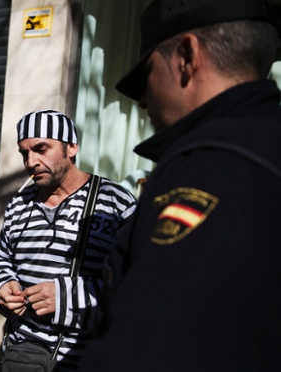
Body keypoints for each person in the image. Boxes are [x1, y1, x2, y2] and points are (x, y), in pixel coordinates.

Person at [78, 1, 281, 371]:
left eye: (149, 72)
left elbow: (146, 349)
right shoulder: (261, 149)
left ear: (186, 56)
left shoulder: (209, 169)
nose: (142, 101)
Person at [0, 109, 137, 370]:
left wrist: (67, 296)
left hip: (88, 352)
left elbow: (138, 281)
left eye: (41, 149)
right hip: (23, 351)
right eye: (25, 152)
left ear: (71, 148)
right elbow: (0, 257)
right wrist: (4, 284)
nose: (31, 162)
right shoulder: (19, 204)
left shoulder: (115, 203)